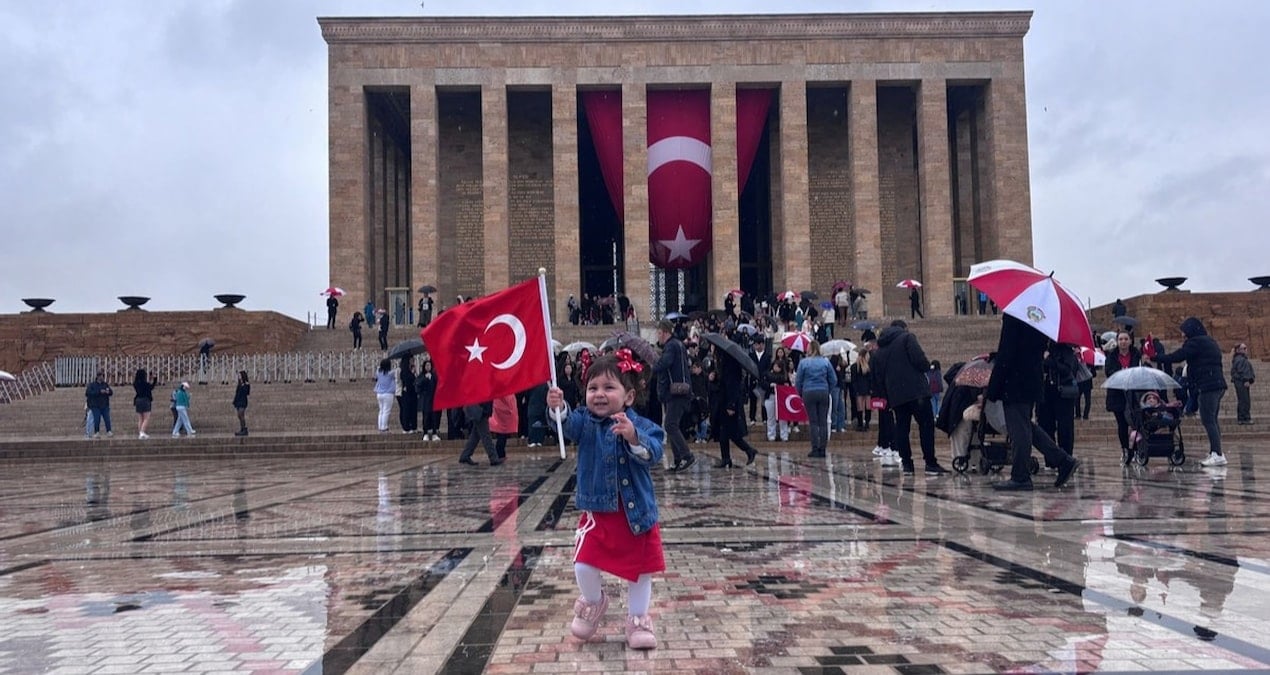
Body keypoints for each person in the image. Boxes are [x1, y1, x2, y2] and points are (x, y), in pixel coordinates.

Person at [545, 352, 666, 650]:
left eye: (608, 387)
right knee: (584, 563)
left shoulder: (640, 424)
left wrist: (634, 438)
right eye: (592, 388)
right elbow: (566, 425)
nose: (599, 394)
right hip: (599, 512)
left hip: (635, 513)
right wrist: (558, 408)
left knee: (639, 572)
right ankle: (593, 600)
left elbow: (655, 451)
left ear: (629, 396)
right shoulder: (585, 422)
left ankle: (638, 618)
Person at [985, 314, 1080, 490]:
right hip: (1031, 380)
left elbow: (1007, 352)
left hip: (1015, 382)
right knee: (1026, 426)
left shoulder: (1014, 316)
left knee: (1019, 429)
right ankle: (1063, 461)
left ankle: (1021, 476)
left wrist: (993, 388)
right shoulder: (1040, 318)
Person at [871, 320, 946, 475]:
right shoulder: (907, 338)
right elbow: (920, 360)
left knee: (902, 428)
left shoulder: (879, 350)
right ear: (903, 328)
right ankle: (930, 463)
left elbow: (878, 377)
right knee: (926, 425)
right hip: (916, 391)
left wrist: (888, 397)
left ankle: (907, 465)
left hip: (896, 396)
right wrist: (927, 367)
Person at [1151, 317, 1228, 466]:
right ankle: (1216, 452)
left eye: (1184, 332)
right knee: (1213, 420)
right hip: (1217, 385)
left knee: (1208, 420)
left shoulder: (1196, 342)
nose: (1182, 335)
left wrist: (1155, 357)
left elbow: (1177, 356)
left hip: (1208, 386)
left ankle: (1217, 454)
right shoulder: (1209, 341)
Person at [651, 320, 695, 472]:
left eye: (659, 333)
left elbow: (665, 363)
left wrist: (654, 364)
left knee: (670, 424)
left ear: (664, 332)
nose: (658, 336)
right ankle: (677, 460)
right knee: (671, 425)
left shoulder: (671, 346)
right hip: (675, 392)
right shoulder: (678, 344)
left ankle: (686, 455)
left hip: (676, 392)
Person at [712, 335, 759, 467]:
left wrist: (731, 405)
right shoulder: (724, 364)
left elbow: (733, 385)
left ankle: (748, 450)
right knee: (726, 432)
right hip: (724, 401)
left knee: (730, 433)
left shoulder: (731, 365)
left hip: (729, 402)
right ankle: (727, 458)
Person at [1036, 343, 1081, 462]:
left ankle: (1066, 457)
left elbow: (1067, 369)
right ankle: (1051, 457)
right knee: (1045, 425)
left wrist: (1049, 360)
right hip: (1045, 392)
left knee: (1065, 427)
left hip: (1063, 393)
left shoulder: (1066, 350)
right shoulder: (1039, 348)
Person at [794, 340, 836, 458]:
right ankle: (823, 449)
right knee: (823, 421)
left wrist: (800, 392)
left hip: (809, 391)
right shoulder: (825, 362)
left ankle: (815, 448)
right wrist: (828, 389)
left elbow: (798, 380)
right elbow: (833, 379)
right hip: (823, 391)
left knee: (813, 422)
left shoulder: (804, 363)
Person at [1103, 331, 1140, 460]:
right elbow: (1108, 371)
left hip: (1133, 393)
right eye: (1120, 339)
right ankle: (1125, 448)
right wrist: (1121, 373)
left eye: (1126, 339)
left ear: (1130, 341)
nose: (1123, 342)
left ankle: (1135, 448)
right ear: (1117, 342)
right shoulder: (1112, 356)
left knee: (1136, 423)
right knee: (1122, 424)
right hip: (1117, 394)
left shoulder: (1136, 354)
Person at [459, 400, 500, 465]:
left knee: (475, 436)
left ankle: (465, 455)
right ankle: (493, 457)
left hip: (480, 410)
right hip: (480, 411)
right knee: (486, 436)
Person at [763, 357, 793, 442]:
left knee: (783, 417)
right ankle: (771, 435)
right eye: (775, 366)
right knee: (771, 417)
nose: (776, 368)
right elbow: (763, 384)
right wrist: (769, 385)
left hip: (781, 398)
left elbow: (788, 385)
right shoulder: (768, 375)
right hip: (770, 397)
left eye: (778, 366)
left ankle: (784, 435)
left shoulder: (784, 376)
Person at [416, 359, 440, 440]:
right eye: (426, 365)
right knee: (426, 417)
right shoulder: (421, 376)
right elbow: (417, 386)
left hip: (433, 399)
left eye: (429, 365)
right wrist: (425, 379)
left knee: (434, 417)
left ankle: (434, 433)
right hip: (425, 400)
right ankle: (425, 433)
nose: (428, 367)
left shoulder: (434, 375)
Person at [490, 393, 519, 460]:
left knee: (501, 434)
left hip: (498, 408)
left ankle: (500, 454)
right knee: (503, 435)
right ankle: (500, 454)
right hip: (505, 410)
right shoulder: (507, 391)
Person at [1231, 343, 1255, 424]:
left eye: (1246, 348)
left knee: (1243, 400)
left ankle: (1243, 417)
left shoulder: (1240, 359)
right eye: (1244, 348)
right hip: (1241, 382)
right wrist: (1246, 380)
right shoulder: (1240, 359)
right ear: (1238, 350)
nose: (1246, 350)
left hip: (1240, 382)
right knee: (1244, 400)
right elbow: (1242, 371)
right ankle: (1244, 418)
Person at [85, 371, 113, 438]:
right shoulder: (92, 385)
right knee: (97, 419)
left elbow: (111, 392)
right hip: (95, 405)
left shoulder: (105, 384)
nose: (102, 377)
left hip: (105, 405)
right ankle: (96, 432)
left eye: (102, 376)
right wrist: (99, 392)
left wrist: (107, 392)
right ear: (97, 377)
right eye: (100, 376)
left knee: (107, 419)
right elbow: (88, 393)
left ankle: (109, 431)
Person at [132, 368, 156, 439]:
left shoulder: (136, 383)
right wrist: (154, 379)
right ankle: (142, 432)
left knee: (140, 418)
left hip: (138, 400)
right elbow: (151, 387)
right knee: (146, 418)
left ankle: (140, 432)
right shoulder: (145, 384)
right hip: (145, 400)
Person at [396, 357, 418, 433]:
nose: (413, 361)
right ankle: (406, 427)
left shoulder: (411, 369)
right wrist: (412, 374)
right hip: (406, 393)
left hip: (413, 393)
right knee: (406, 410)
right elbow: (405, 381)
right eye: (411, 360)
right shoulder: (403, 371)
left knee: (413, 410)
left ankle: (414, 426)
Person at [374, 358, 395, 433]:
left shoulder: (379, 372)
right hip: (388, 393)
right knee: (386, 411)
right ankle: (384, 427)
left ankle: (380, 427)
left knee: (381, 411)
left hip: (379, 393)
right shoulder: (391, 373)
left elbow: (376, 374)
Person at [233, 371, 251, 436]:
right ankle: (242, 428)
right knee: (239, 415)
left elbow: (247, 392)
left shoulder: (246, 384)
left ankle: (244, 429)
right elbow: (237, 393)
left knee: (241, 414)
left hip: (243, 401)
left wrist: (244, 385)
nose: (239, 377)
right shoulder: (239, 384)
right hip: (238, 401)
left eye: (240, 375)